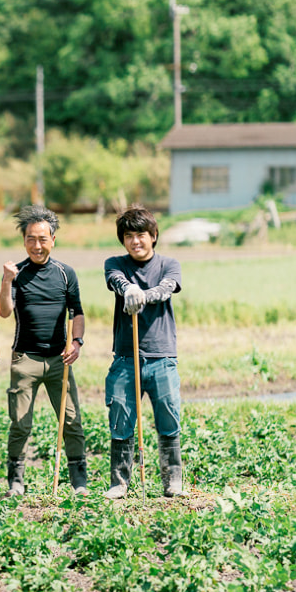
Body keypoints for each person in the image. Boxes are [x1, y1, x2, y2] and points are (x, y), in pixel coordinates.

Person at [0, 205, 87, 496]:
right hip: (25, 359)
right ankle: (15, 481)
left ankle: (79, 482)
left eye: (42, 238)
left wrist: (76, 342)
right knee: (20, 422)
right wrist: (7, 281)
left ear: (53, 239)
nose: (37, 245)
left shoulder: (65, 273)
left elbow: (78, 312)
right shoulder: (17, 273)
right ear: (24, 241)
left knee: (71, 420)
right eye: (31, 239)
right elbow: (4, 312)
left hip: (60, 360)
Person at [103, 204, 184, 499]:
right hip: (126, 357)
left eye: (141, 235)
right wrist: (128, 290)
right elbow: (117, 281)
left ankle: (172, 480)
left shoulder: (169, 263)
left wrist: (144, 296)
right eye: (128, 236)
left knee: (168, 416)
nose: (135, 241)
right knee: (121, 417)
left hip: (162, 356)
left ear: (153, 235)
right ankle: (119, 482)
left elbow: (167, 288)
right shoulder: (114, 263)